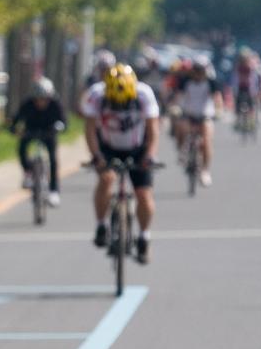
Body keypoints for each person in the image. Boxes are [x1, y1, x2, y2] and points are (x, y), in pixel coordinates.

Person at [81, 62, 160, 265]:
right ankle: (101, 225)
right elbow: (89, 130)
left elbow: (153, 130)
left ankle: (144, 237)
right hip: (108, 146)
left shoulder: (144, 94)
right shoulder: (96, 95)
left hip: (137, 147)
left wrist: (149, 156)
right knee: (106, 180)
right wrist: (96, 155)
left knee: (143, 194)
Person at [10, 76, 68, 206]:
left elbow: (64, 121)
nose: (41, 102)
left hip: (49, 132)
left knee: (53, 159)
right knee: (21, 148)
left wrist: (59, 127)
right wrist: (14, 128)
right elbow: (16, 119)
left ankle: (54, 191)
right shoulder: (27, 104)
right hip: (31, 130)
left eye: (44, 99)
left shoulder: (55, 104)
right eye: (38, 99)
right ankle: (28, 172)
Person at [170, 55, 222, 186]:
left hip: (205, 115)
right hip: (189, 113)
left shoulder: (211, 82)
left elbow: (217, 97)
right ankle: (182, 150)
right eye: (197, 69)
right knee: (181, 127)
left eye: (201, 70)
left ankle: (205, 170)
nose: (199, 73)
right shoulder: (185, 81)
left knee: (207, 139)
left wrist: (219, 110)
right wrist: (175, 107)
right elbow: (178, 96)